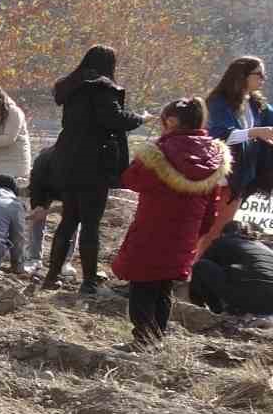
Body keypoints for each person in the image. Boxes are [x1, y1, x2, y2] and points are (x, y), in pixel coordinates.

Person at [110, 97, 229, 346]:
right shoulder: (214, 156)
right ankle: (156, 338)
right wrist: (198, 233)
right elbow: (212, 207)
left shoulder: (158, 153)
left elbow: (131, 180)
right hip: (185, 234)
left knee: (142, 284)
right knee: (164, 286)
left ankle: (142, 338)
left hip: (151, 229)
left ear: (171, 121)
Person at [42, 45, 149, 295]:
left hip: (66, 159)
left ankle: (51, 275)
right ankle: (89, 281)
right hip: (94, 163)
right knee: (90, 223)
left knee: (68, 220)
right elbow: (113, 119)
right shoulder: (103, 88)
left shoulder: (70, 87)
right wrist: (140, 118)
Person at [199, 57, 273, 256]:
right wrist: (254, 132)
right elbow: (219, 134)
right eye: (259, 74)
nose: (263, 79)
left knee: (217, 231)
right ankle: (184, 273)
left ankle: (196, 273)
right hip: (215, 177)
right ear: (242, 76)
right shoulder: (218, 102)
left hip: (239, 178)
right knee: (201, 230)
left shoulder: (257, 105)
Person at [191, 221, 273, 316]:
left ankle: (215, 311)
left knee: (201, 266)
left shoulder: (223, 241)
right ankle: (237, 310)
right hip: (269, 306)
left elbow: (203, 270)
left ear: (223, 234)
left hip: (249, 294)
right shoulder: (263, 247)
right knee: (242, 277)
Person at [25, 143, 62, 272]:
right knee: (37, 217)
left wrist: (49, 211)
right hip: (45, 185)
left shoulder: (78, 167)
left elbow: (73, 205)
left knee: (72, 219)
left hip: (71, 188)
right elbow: (35, 189)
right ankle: (34, 257)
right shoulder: (41, 164)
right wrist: (38, 208)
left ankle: (64, 261)